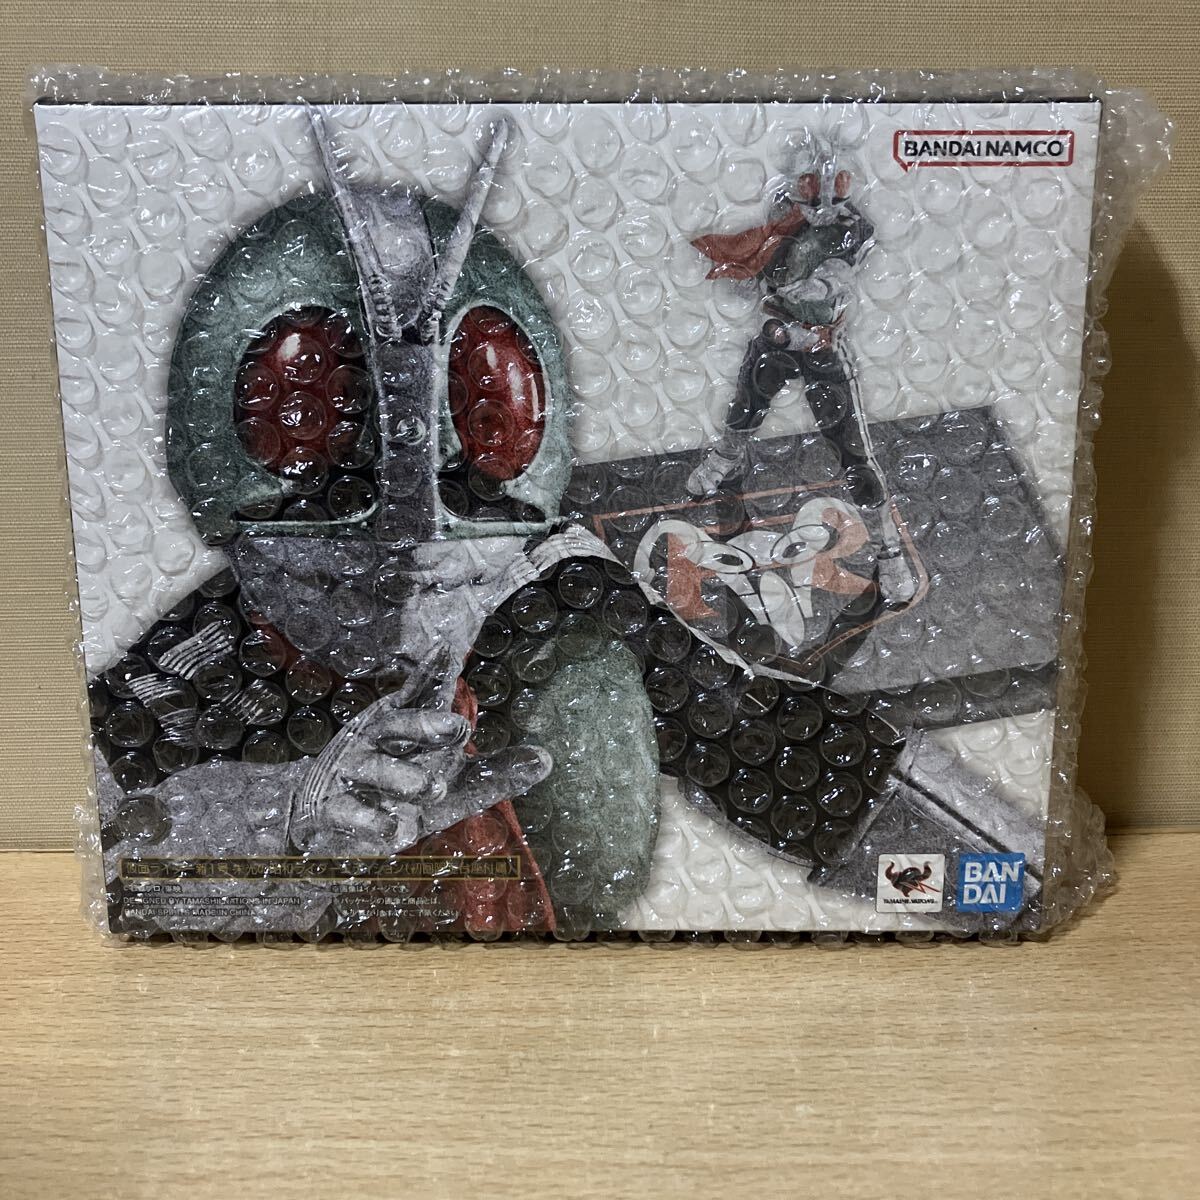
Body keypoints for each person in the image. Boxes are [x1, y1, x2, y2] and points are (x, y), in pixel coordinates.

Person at [689, 142, 917, 605]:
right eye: (810, 183)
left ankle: (889, 550)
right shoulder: (783, 216)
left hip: (820, 345)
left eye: (830, 183)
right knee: (744, 408)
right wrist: (750, 265)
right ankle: (726, 458)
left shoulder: (853, 228)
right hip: (776, 336)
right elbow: (760, 272)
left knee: (854, 456)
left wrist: (797, 285)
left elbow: (834, 277)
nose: (821, 195)